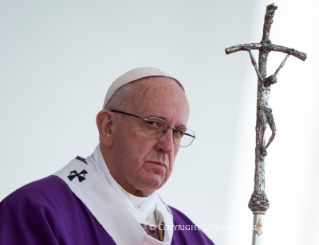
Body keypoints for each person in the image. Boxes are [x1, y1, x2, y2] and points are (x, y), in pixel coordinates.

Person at [0, 67, 215, 245]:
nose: (167, 145)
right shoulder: (35, 213)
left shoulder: (192, 238)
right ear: (108, 127)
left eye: (177, 132)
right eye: (153, 124)